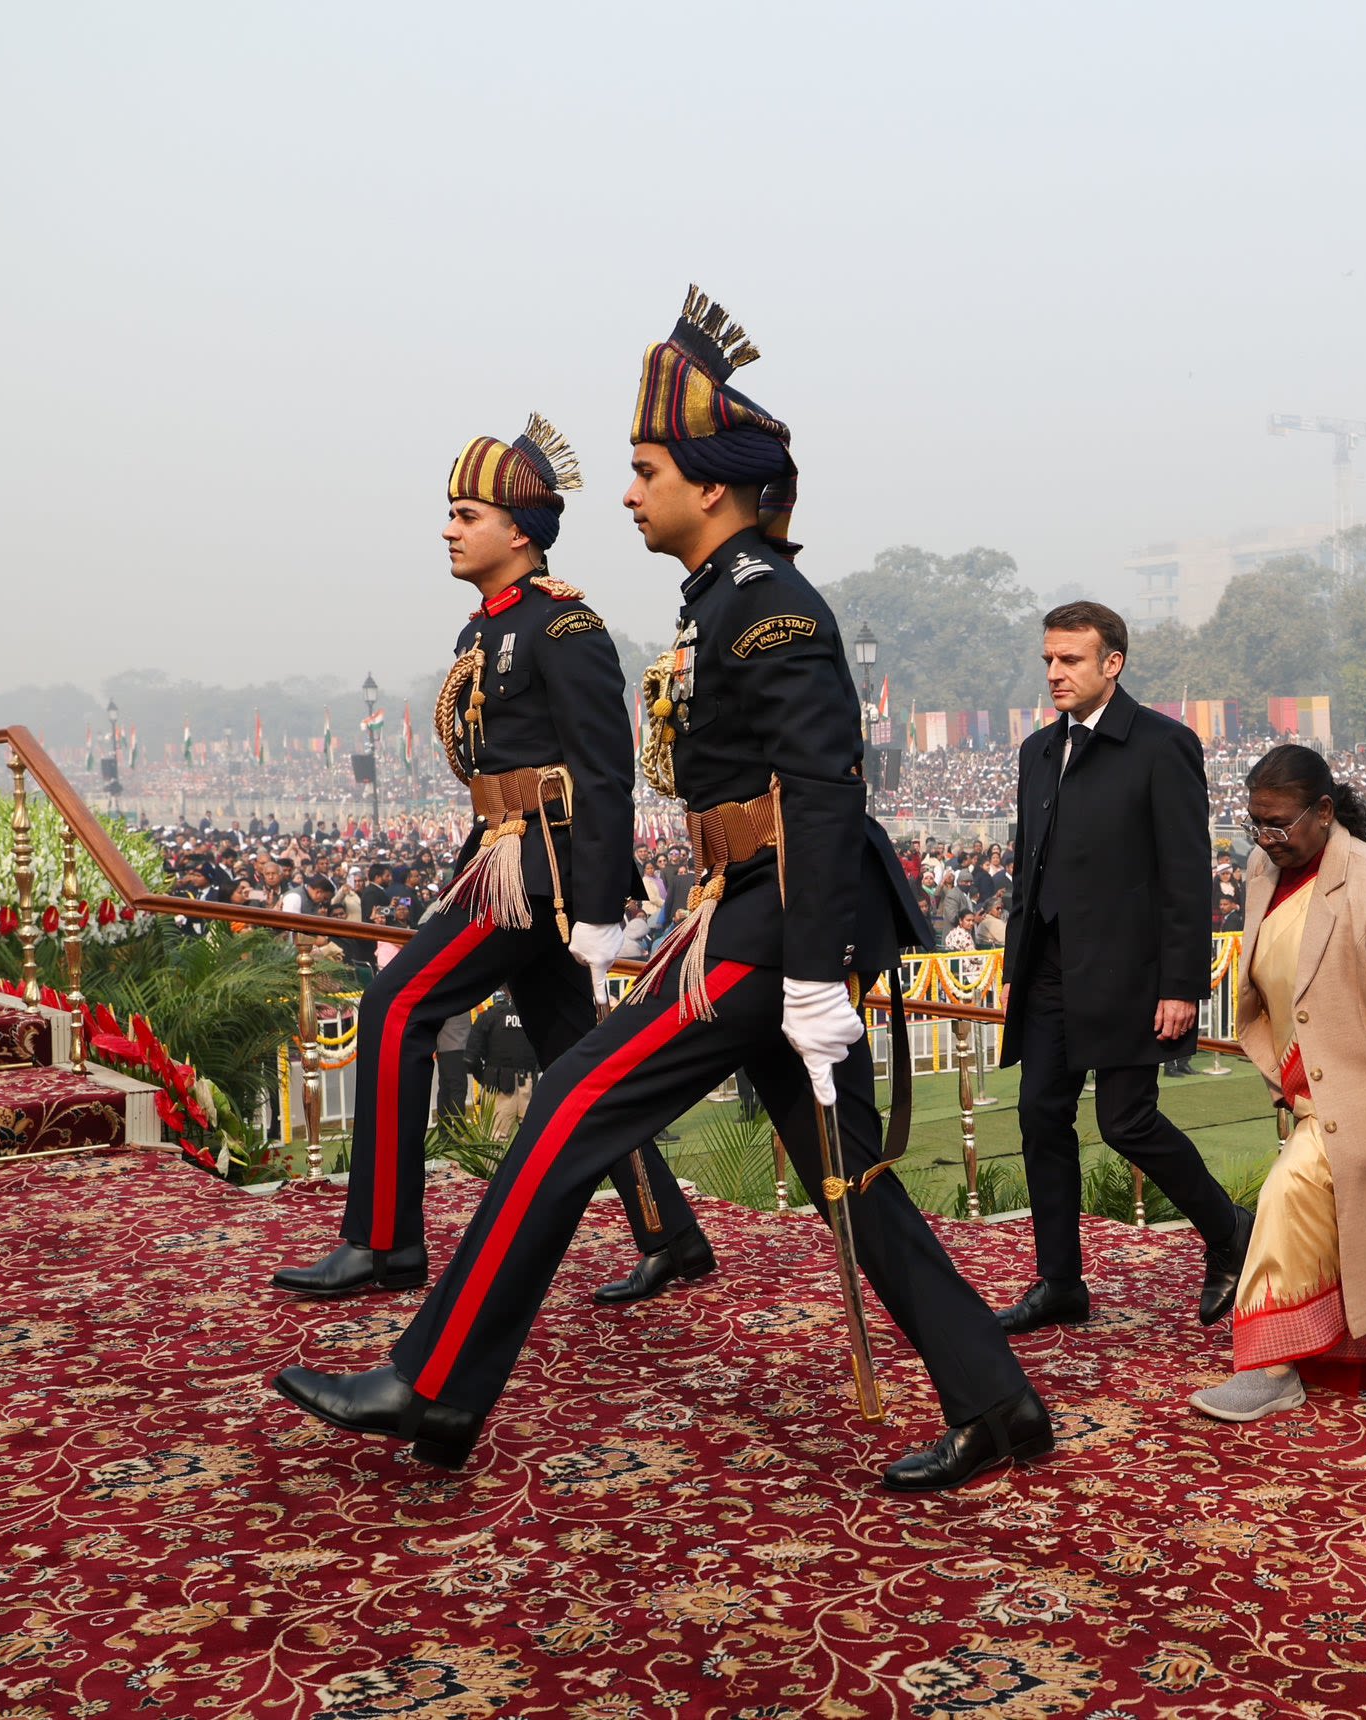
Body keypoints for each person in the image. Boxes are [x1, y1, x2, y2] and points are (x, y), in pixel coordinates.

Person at [274, 285, 1049, 1490]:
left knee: (568, 1106)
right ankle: (996, 1401)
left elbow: (823, 796)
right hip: (739, 907)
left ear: (712, 485)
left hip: (771, 924)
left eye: (644, 469)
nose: (626, 494)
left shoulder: (771, 608)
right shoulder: (718, 603)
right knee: (849, 1176)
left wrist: (805, 978)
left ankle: (433, 1385)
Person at [268, 411, 710, 1308]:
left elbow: (604, 774)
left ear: (520, 531)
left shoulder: (565, 628)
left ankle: (384, 1242)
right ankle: (671, 1233)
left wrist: (593, 909)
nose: (448, 529)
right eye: (450, 512)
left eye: (465, 514)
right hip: (498, 858)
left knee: (395, 1007)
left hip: (537, 877)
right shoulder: (483, 631)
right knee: (572, 1050)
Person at [996, 600, 1250, 1335]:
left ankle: (1230, 1232)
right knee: (1040, 1117)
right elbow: (1027, 871)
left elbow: (1185, 870)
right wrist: (1016, 964)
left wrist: (1181, 984)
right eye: (1048, 659)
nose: (1054, 673)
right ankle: (1059, 1282)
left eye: (1070, 659)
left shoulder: (1162, 745)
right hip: (1046, 970)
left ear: (1113, 663)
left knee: (1126, 1122)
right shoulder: (1036, 752)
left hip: (1130, 976)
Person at [1188, 746, 1366, 1422]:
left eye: (1279, 824)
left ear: (1325, 812)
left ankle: (1271, 1363)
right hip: (1311, 1094)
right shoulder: (1260, 868)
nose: (1267, 839)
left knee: (1289, 1196)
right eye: (1256, 823)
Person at [466, 992, 540, 1139]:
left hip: (498, 1087)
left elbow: (471, 1058)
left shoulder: (489, 1016)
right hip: (530, 1086)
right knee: (535, 1145)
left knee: (494, 1148)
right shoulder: (535, 1016)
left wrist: (484, 1078)